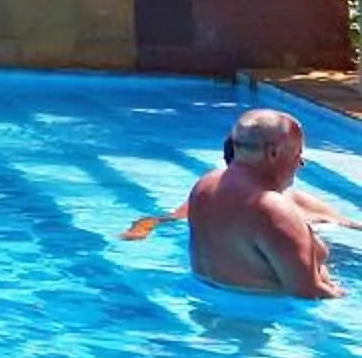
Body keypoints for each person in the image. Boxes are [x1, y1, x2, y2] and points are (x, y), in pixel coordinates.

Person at [120, 109, 347, 298]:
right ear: (274, 153)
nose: (300, 164)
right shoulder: (273, 207)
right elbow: (308, 292)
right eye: (298, 155)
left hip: (203, 300)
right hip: (264, 315)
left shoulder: (205, 185)